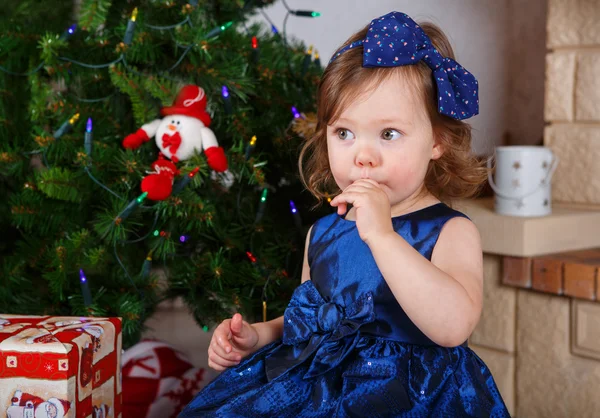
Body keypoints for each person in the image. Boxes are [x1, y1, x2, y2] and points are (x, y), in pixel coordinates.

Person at [179, 11, 510, 417]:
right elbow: (313, 320)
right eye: (344, 133)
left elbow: (453, 327)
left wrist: (384, 236)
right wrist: (260, 335)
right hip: (320, 386)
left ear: (438, 140)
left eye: (389, 134)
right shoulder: (323, 232)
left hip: (412, 397)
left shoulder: (449, 231)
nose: (363, 156)